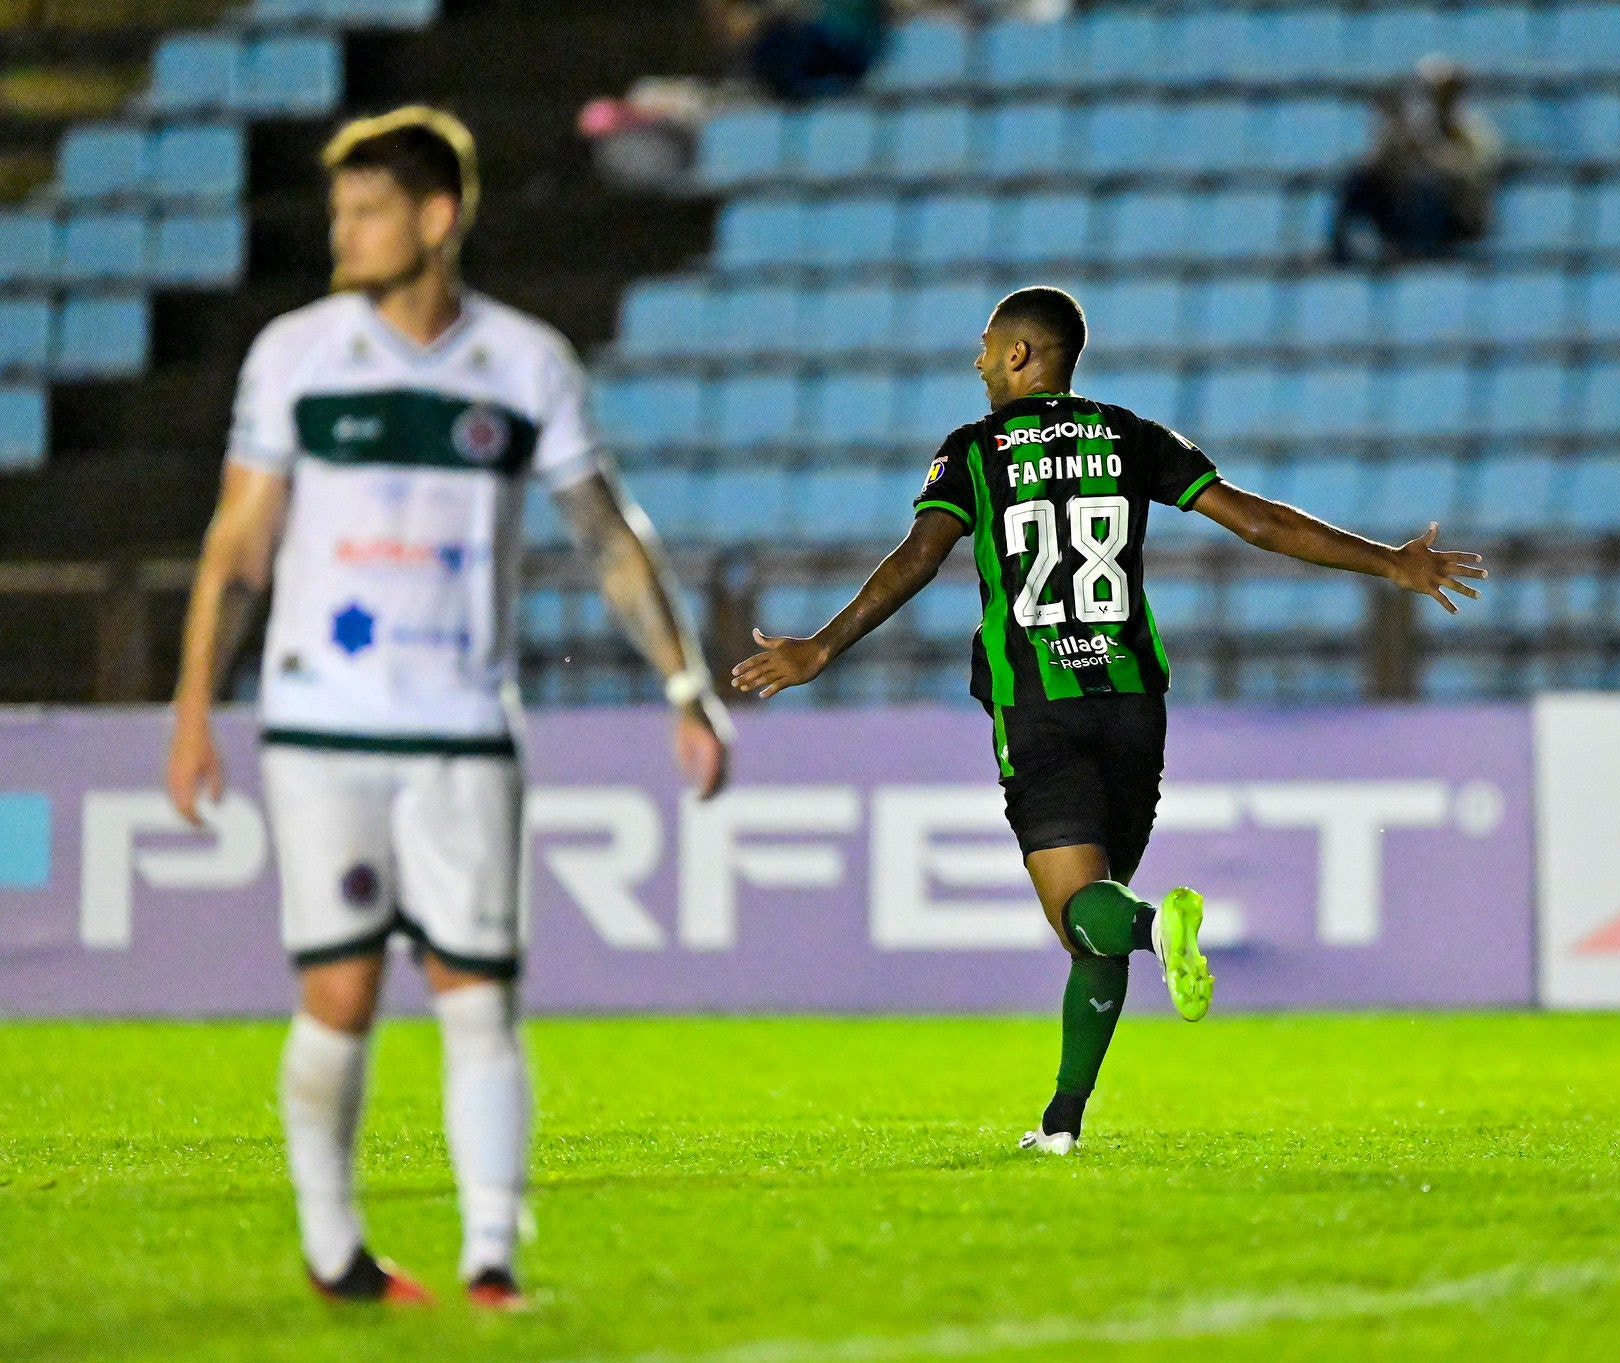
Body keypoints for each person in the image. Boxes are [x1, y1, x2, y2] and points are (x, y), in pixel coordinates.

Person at [163, 106, 733, 1308]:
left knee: (479, 991)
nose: (344, 232)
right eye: (338, 211)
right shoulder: (296, 355)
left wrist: (684, 684)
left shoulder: (524, 363)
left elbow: (608, 538)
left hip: (466, 732)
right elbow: (240, 543)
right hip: (321, 727)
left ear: (436, 218)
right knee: (341, 991)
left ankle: (490, 1261)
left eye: (367, 210)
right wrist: (190, 710)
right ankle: (336, 1255)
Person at [732, 286, 1484, 1153]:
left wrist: (820, 649)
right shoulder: (1130, 435)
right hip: (1133, 703)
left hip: (1040, 703)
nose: (976, 361)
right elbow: (1254, 521)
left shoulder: (974, 452)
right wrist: (1388, 560)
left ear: (1020, 355)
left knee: (1085, 915)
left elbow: (918, 558)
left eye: (986, 345)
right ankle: (1062, 1124)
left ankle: (1159, 929)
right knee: (1101, 911)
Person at [1332, 56, 1503, 265]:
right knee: (1358, 181)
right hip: (1409, 207)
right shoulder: (1417, 126)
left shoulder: (1476, 130)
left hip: (1459, 213)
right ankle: (1342, 252)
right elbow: (1386, 169)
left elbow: (1475, 174)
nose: (1438, 97)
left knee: (1430, 184)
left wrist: (1432, 157)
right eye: (1432, 90)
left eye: (1445, 90)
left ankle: (1425, 253)